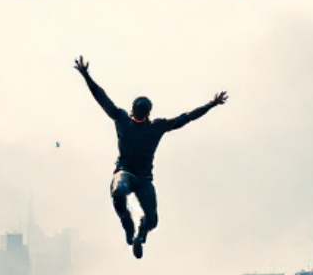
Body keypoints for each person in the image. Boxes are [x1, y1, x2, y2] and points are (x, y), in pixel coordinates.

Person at [74, 56, 227, 258]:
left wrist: (211, 104)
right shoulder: (123, 120)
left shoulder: (156, 127)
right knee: (119, 190)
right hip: (125, 172)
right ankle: (127, 224)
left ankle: (140, 234)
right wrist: (86, 75)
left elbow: (187, 117)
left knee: (153, 220)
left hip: (144, 179)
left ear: (143, 114)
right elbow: (101, 98)